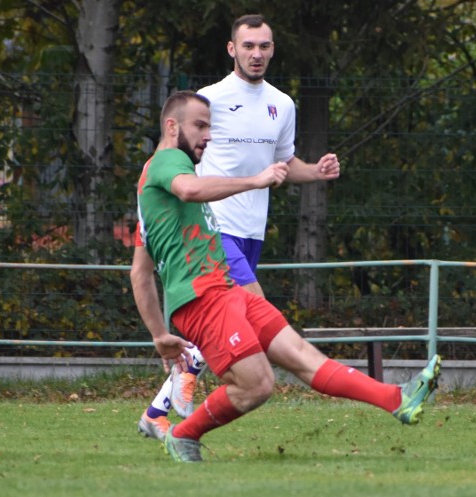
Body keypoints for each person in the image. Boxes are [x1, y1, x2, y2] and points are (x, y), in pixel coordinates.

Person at [131, 90, 441, 462]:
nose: (208, 136)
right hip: (203, 300)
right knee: (258, 384)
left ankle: (397, 399)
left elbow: (140, 272)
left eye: (210, 127)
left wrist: (159, 335)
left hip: (226, 291)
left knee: (302, 356)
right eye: (200, 126)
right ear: (171, 126)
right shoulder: (167, 163)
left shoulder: (156, 197)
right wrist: (255, 179)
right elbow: (189, 189)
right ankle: (183, 434)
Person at [138, 13, 341, 438]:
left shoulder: (281, 104)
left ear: (272, 51)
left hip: (253, 232)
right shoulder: (208, 101)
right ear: (232, 49)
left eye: (264, 46)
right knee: (258, 324)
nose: (256, 53)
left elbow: (284, 165)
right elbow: (186, 161)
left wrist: (316, 172)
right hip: (217, 229)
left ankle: (161, 409)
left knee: (243, 329)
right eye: (248, 45)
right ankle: (201, 386)